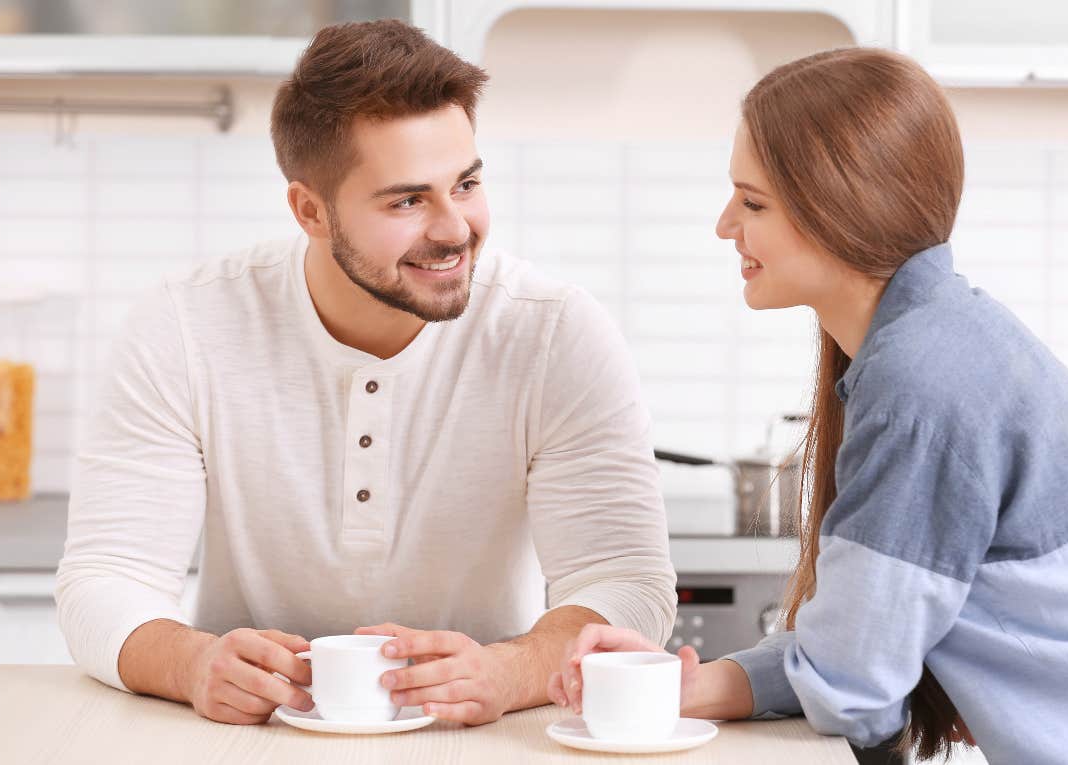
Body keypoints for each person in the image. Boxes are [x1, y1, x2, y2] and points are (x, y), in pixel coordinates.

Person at [548, 47, 1068, 763]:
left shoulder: (922, 379)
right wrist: (698, 682)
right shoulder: (933, 341)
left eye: (752, 202)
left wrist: (779, 683)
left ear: (838, 209)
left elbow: (854, 690)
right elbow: (852, 649)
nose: (725, 225)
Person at [55, 20, 675, 727]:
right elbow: (105, 580)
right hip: (246, 738)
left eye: (466, 184)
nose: (454, 228)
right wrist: (192, 662)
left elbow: (628, 581)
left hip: (478, 737)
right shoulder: (186, 325)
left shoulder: (554, 333)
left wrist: (510, 669)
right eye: (408, 200)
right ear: (310, 210)